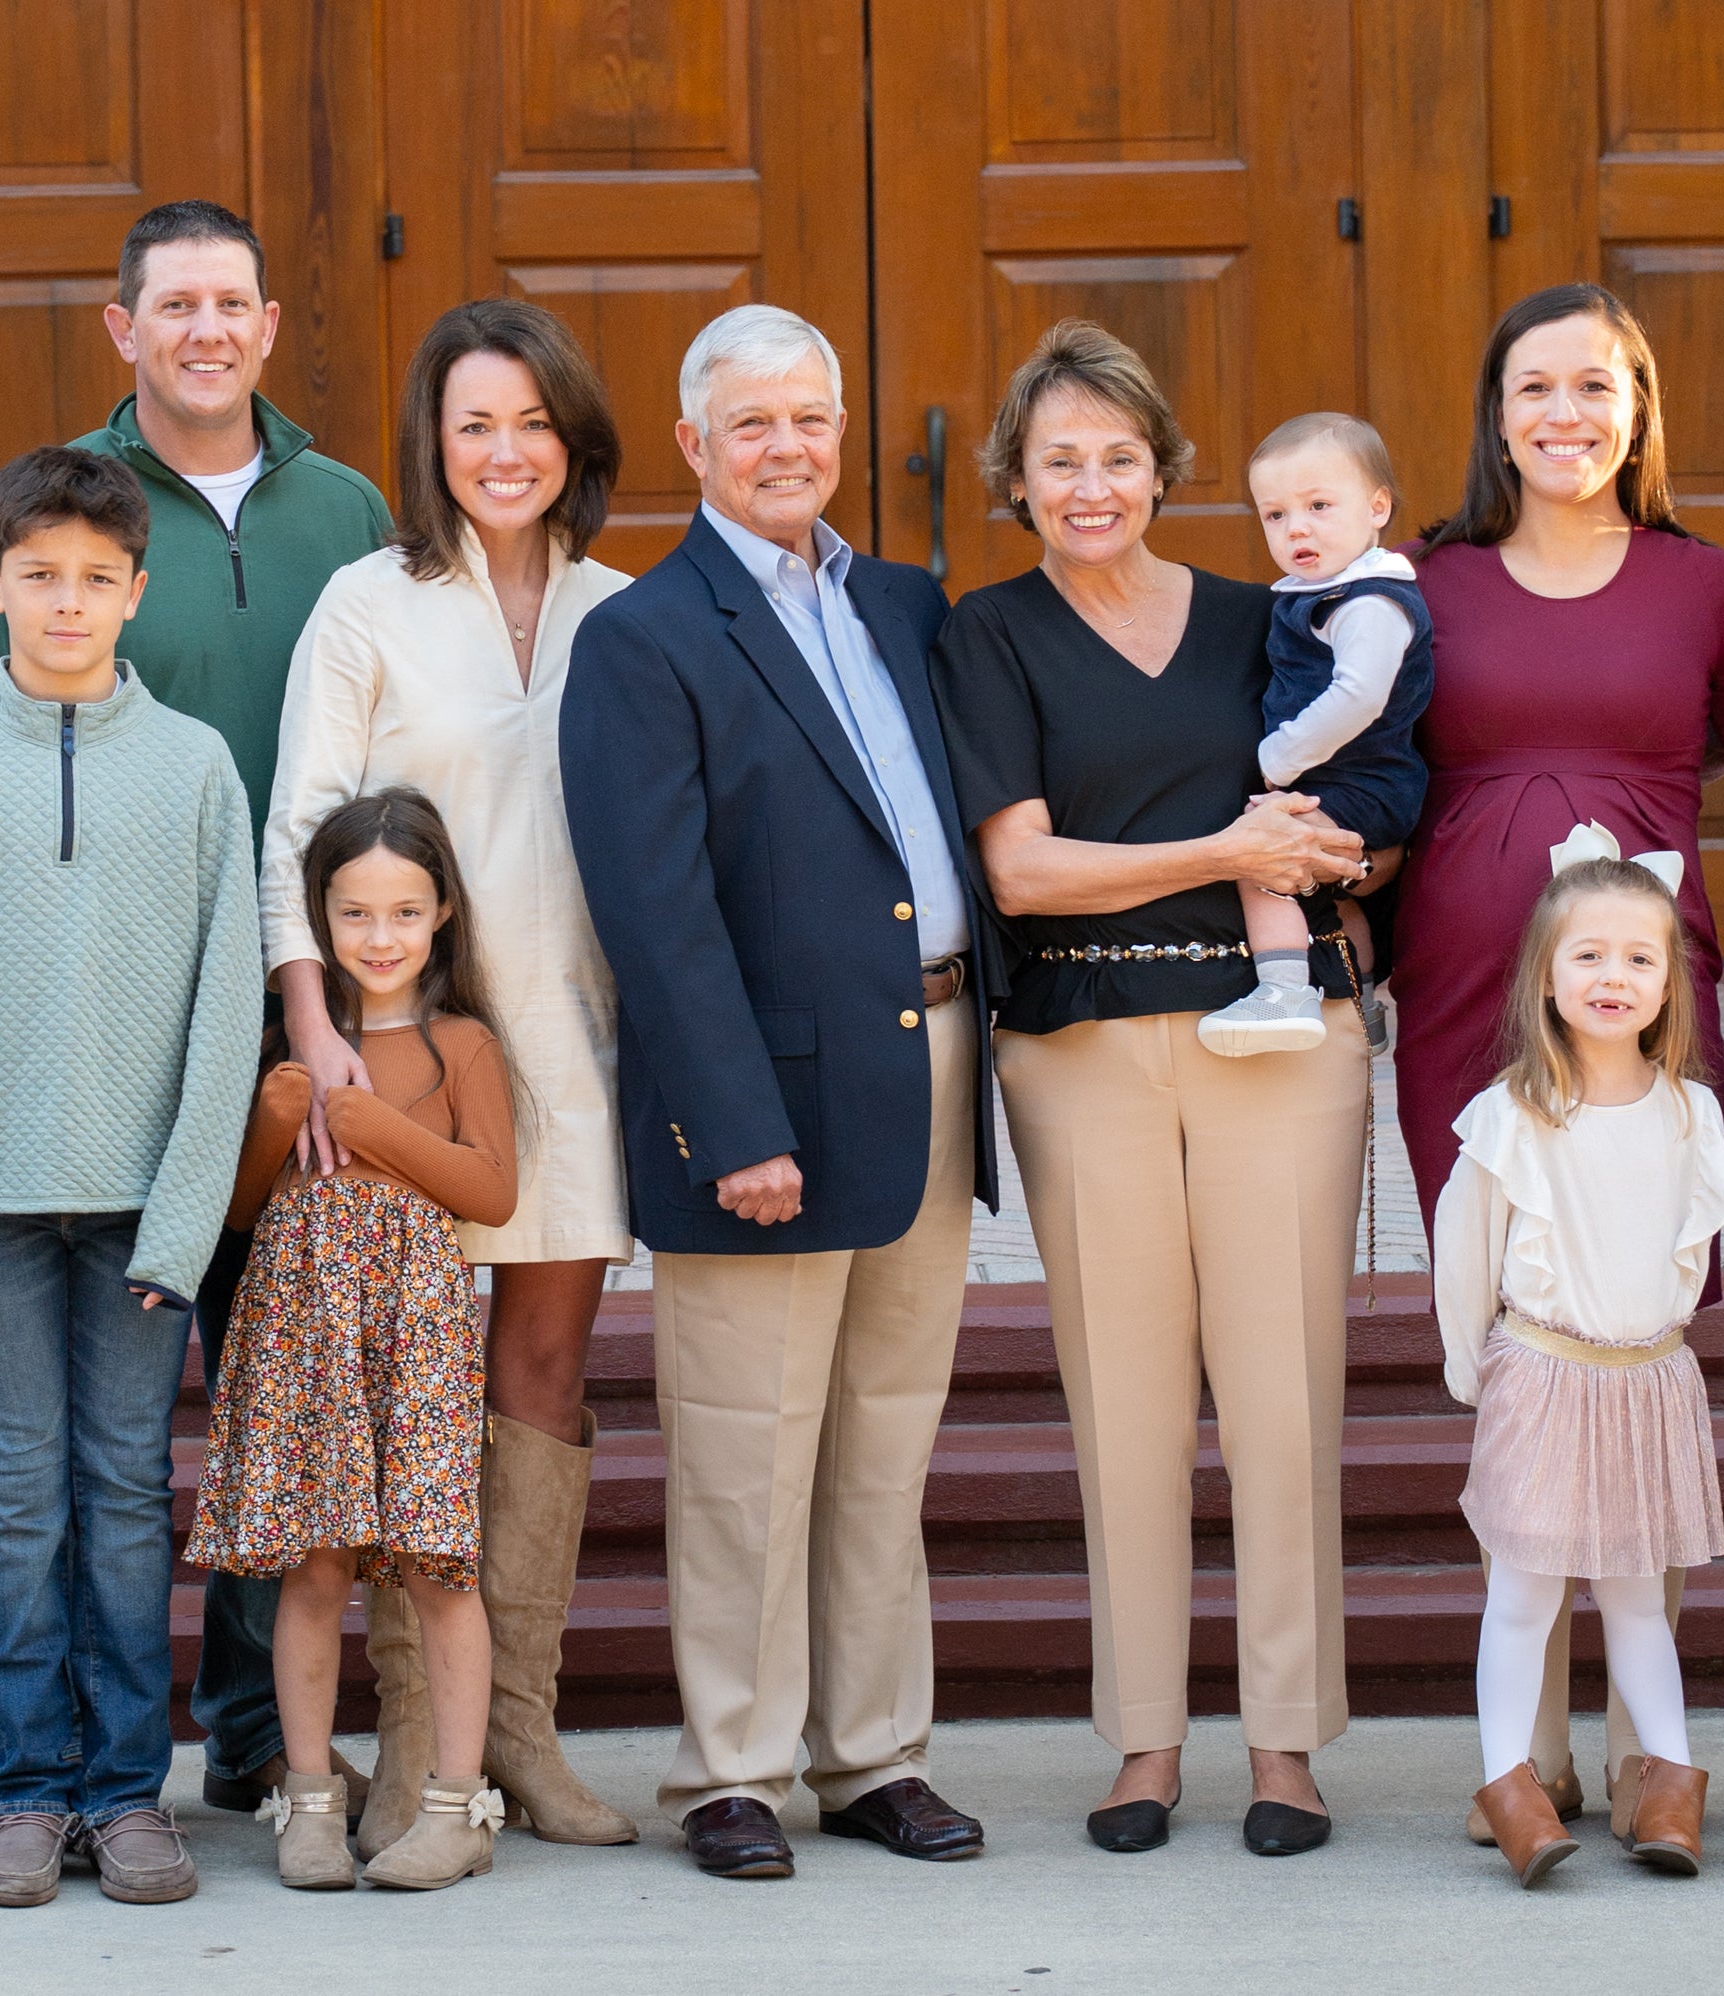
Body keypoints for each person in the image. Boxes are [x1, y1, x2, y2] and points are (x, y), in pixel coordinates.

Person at [0, 198, 391, 1821]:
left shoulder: (344, 511)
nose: (206, 330)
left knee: (272, 1390)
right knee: (107, 1432)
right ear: (121, 327)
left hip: (301, 1023)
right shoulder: (55, 508)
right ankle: (79, 1755)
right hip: (99, 1038)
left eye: (233, 304)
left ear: (269, 326)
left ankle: (257, 1729)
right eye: (175, 305)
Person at [562, 303, 995, 1881]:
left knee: (885, 1438)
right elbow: (654, 911)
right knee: (748, 1448)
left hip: (934, 1067)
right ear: (692, 445)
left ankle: (875, 1754)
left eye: (810, 417)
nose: (788, 447)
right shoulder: (643, 638)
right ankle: (734, 1769)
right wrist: (731, 1125)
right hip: (762, 1104)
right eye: (752, 423)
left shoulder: (907, 603)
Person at [934, 321, 1372, 1859]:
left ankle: (1284, 1743)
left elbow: (1358, 809)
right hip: (1084, 1049)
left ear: (1164, 468)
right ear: (1018, 480)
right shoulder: (986, 635)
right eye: (1060, 461)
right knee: (1121, 1400)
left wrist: (1317, 851)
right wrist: (1228, 851)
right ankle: (1143, 1743)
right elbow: (1024, 868)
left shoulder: (1269, 616)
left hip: (1282, 1041)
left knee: (1282, 1394)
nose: (1093, 484)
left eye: (1120, 456)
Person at [0, 447, 261, 1908]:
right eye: (39, 576)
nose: (68, 601)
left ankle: (126, 1792)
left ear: (138, 591)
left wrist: (184, 1210)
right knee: (19, 1497)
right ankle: (28, 1789)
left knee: (127, 1488)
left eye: (98, 578)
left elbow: (229, 1008)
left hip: (142, 1213)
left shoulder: (197, 769)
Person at [262, 299, 637, 1854]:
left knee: (539, 1385)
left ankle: (522, 1743)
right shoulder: (368, 602)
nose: (505, 451)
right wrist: (317, 1036)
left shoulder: (629, 609)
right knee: (406, 1405)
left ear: (574, 442)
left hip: (573, 1043)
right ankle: (420, 1762)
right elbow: (299, 825)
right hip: (403, 1059)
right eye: (475, 423)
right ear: (433, 443)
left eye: (533, 422)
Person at [1394, 283, 1724, 1838]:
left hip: (1641, 998)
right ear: (1495, 413)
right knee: (1520, 1320)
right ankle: (1523, 1756)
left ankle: (1646, 1752)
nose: (1565, 413)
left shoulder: (1709, 584)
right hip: (1468, 995)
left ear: (1639, 407)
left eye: (1595, 386)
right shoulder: (1424, 580)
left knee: (1630, 1322)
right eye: (1534, 386)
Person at [191, 789, 519, 1892]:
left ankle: (454, 1803)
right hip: (306, 1331)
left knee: (437, 1565)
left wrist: (375, 1124)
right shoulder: (292, 1045)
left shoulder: (461, 1041)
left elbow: (494, 1191)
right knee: (317, 1567)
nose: (380, 938)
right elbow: (237, 1213)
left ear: (443, 917)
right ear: (317, 922)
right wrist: (281, 1119)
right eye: (354, 914)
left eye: (405, 912)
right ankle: (311, 1802)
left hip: (416, 1332)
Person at [1433, 831, 1724, 1888]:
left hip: (1646, 1376)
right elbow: (1462, 1250)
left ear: (1669, 982)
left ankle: (1671, 1781)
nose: (1614, 977)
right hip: (1545, 1375)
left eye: (1639, 959)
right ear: (1547, 976)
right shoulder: (1513, 1116)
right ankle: (1509, 1781)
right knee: (1523, 1594)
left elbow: (1685, 1253)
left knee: (1639, 1597)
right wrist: (1479, 1376)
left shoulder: (1691, 1114)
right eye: (1589, 956)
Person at [1196, 412, 1433, 1057]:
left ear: (1377, 506)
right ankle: (1361, 1001)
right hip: (1347, 780)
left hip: (1365, 780)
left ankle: (1283, 991)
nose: (1296, 527)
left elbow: (1359, 696)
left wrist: (1279, 756)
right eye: (1274, 515)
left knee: (1262, 859)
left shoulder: (1368, 603)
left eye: (1319, 506)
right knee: (1326, 896)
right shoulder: (1317, 593)